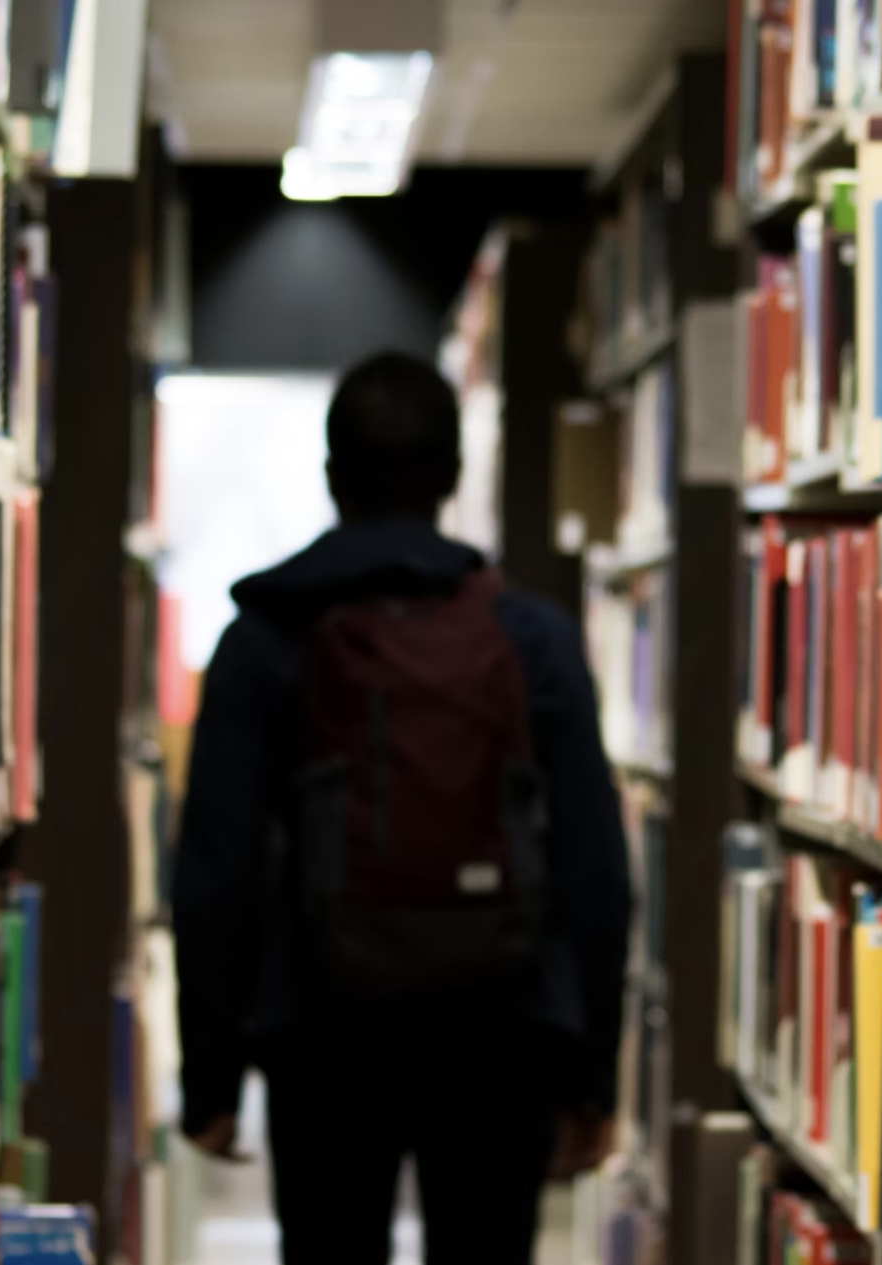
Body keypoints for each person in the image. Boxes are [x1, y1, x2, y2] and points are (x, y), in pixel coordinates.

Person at [174, 351, 634, 1264]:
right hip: (503, 1028)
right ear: (455, 476)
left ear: (332, 477)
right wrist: (593, 1075)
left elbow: (216, 867)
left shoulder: (265, 637)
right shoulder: (530, 635)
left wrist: (212, 1075)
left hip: (322, 1028)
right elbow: (595, 865)